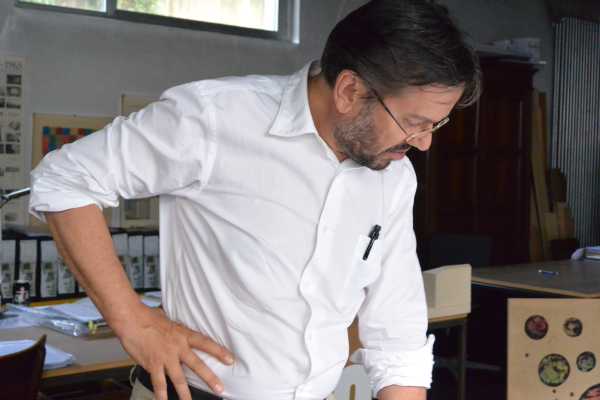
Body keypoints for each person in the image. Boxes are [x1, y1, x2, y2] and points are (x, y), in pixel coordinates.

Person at [29, 1, 480, 399]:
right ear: (350, 91)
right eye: (414, 123)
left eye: (434, 126)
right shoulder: (216, 118)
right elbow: (65, 179)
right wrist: (134, 321)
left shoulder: (393, 177)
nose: (424, 144)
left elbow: (396, 337)